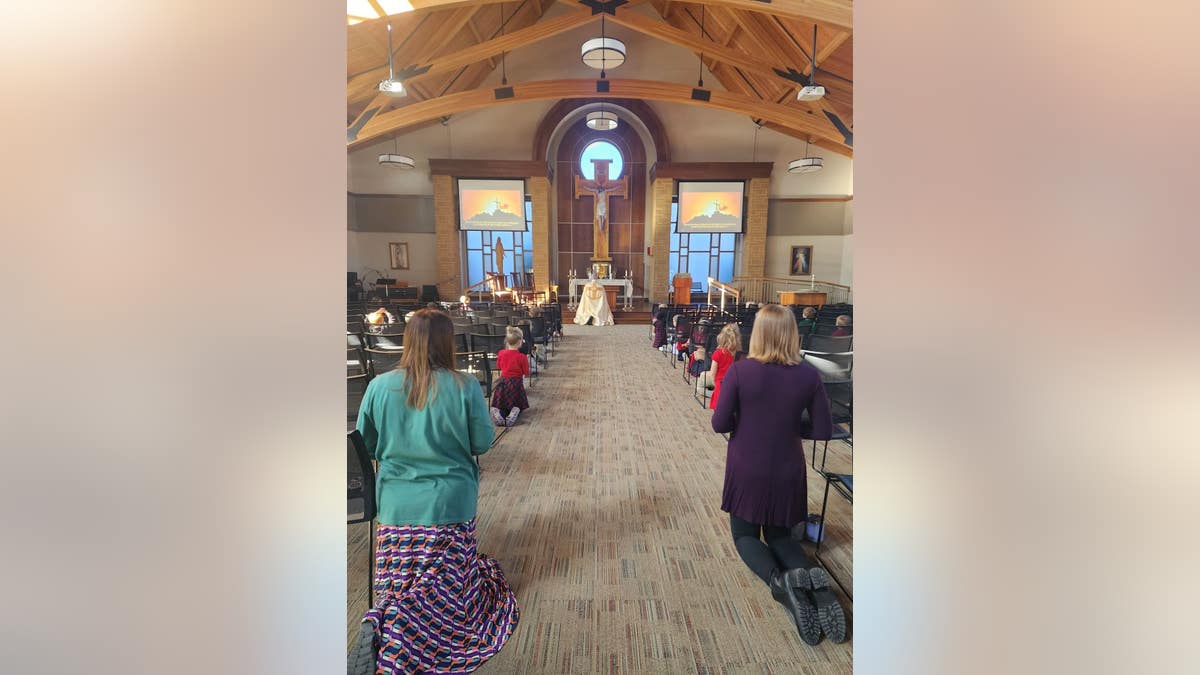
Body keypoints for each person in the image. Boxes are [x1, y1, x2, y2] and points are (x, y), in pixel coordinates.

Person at [354, 309, 518, 673]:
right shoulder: (464, 386)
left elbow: (364, 445)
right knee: (451, 589)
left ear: (406, 340)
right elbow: (482, 442)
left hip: (396, 506)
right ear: (449, 342)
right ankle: (399, 637)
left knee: (400, 586)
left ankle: (387, 621)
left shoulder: (379, 387)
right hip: (450, 502)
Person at [711, 304, 847, 645]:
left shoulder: (742, 372)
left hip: (748, 465)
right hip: (788, 465)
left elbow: (719, 423)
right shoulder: (807, 375)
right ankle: (815, 578)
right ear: (792, 334)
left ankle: (780, 583)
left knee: (745, 537)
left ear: (757, 333)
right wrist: (786, 426)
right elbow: (823, 429)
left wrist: (751, 421)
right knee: (781, 536)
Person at [490, 328, 530, 427]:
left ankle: (498, 412)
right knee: (516, 403)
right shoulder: (522, 357)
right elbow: (526, 372)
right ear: (520, 341)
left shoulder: (501, 353)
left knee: (502, 403)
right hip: (516, 383)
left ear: (507, 341)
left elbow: (499, 367)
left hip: (503, 382)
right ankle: (514, 412)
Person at [707, 323, 741, 410]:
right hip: (734, 386)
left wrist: (715, 385)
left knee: (719, 412)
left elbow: (712, 373)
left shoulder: (718, 353)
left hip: (720, 385)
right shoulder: (739, 354)